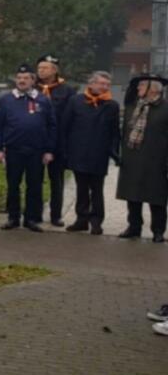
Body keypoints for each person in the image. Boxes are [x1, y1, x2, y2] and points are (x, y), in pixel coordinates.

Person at [0, 64, 56, 232]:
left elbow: (51, 126)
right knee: (13, 185)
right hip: (13, 150)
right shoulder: (6, 100)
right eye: (19, 78)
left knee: (34, 185)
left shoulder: (43, 99)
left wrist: (49, 150)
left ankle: (31, 219)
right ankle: (13, 217)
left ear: (33, 80)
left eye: (26, 78)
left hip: (36, 151)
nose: (22, 81)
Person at [62, 71, 120, 234]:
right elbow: (65, 127)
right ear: (91, 84)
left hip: (99, 154)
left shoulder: (111, 105)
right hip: (78, 152)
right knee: (81, 188)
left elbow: (115, 132)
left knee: (97, 189)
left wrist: (115, 153)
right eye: (101, 84)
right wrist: (65, 151)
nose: (104, 87)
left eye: (107, 85)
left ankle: (96, 221)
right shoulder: (76, 101)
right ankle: (81, 219)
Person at [117, 76, 168, 242]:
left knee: (157, 198)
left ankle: (158, 230)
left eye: (143, 85)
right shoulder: (134, 106)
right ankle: (134, 227)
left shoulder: (165, 108)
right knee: (133, 196)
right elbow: (132, 86)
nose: (138, 88)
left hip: (156, 160)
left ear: (153, 89)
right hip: (133, 158)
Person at [36, 54, 76, 227]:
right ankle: (34, 213)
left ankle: (55, 215)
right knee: (35, 179)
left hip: (58, 142)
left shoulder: (67, 91)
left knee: (56, 180)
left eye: (45, 68)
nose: (41, 71)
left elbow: (70, 118)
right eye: (39, 68)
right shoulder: (33, 89)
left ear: (54, 70)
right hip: (36, 140)